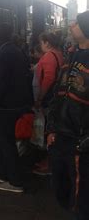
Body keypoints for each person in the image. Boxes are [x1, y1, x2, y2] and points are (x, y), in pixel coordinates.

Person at [46, 11, 89, 220]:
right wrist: (51, 129)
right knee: (60, 188)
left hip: (80, 144)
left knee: (82, 200)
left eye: (77, 23)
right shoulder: (70, 55)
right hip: (60, 138)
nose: (71, 25)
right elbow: (58, 94)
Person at [0, 23, 33, 193]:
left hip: (5, 107)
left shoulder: (2, 54)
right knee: (5, 140)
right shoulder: (17, 50)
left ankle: (15, 181)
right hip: (18, 104)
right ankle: (0, 171)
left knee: (6, 143)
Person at [32, 32, 64, 175]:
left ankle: (49, 163)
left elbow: (48, 78)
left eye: (42, 42)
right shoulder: (59, 54)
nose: (41, 45)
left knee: (48, 129)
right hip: (56, 97)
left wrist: (40, 97)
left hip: (48, 98)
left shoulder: (49, 56)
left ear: (47, 43)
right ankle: (49, 161)